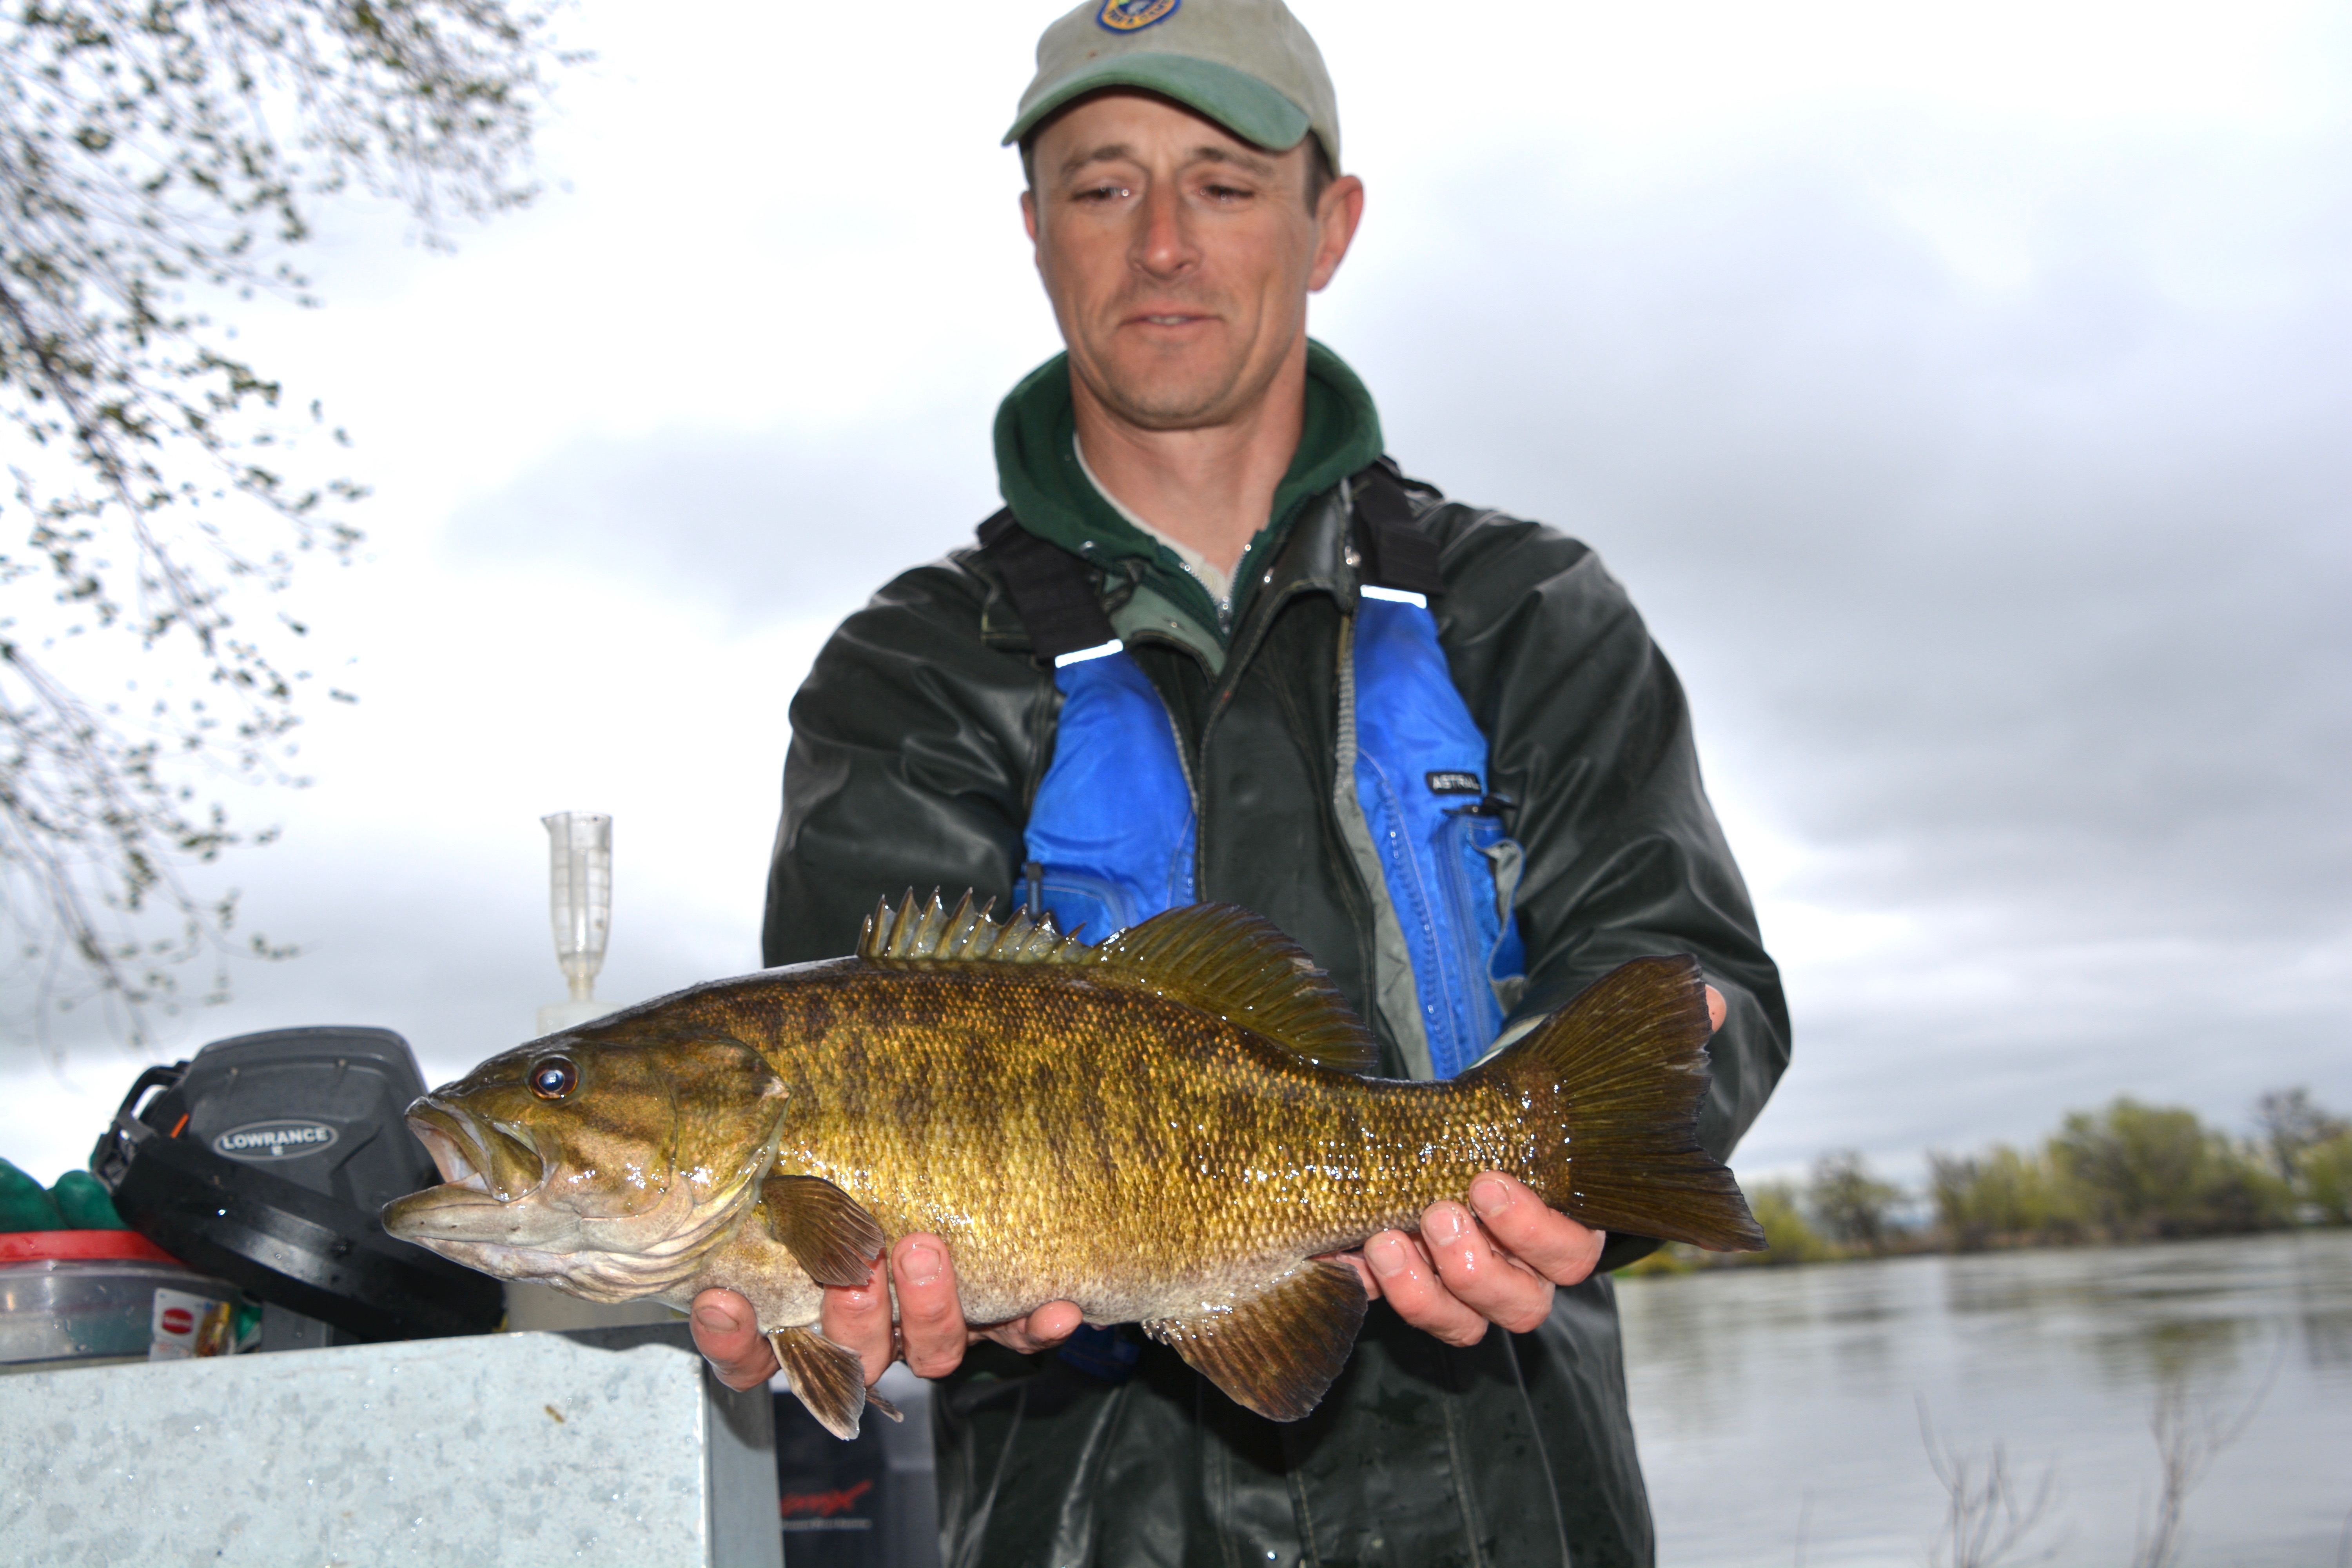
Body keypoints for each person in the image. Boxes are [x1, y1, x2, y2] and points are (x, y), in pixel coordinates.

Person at [692, 2, 1789, 1563]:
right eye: (1100, 185)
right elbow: (853, 1047)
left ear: (1328, 222)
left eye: (1219, 181)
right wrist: (867, 1297)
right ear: (1034, 232)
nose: (1159, 243)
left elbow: (1687, 977)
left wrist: (1573, 1181)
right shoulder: (916, 664)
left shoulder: (1530, 606)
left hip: (1518, 1507)